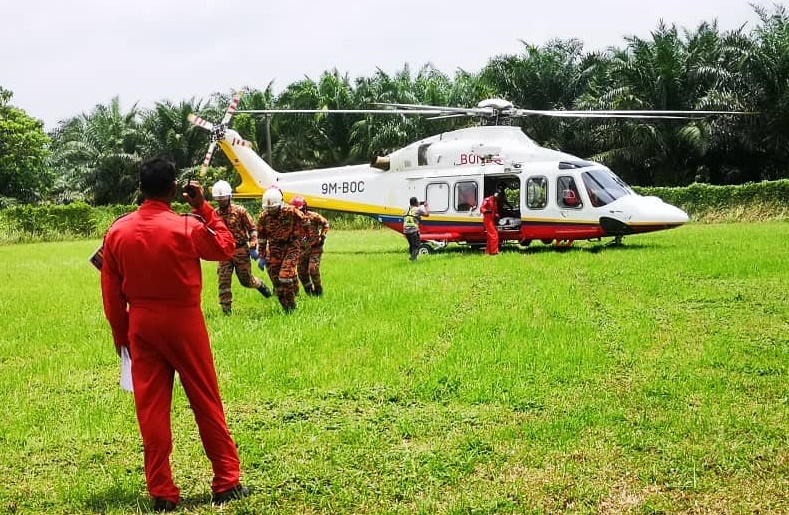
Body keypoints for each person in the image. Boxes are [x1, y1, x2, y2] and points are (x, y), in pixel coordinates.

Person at [100, 158, 249, 512]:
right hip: (184, 322)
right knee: (205, 399)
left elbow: (110, 293)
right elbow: (226, 247)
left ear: (140, 187)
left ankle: (162, 491)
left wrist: (123, 337)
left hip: (142, 324)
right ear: (173, 190)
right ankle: (226, 481)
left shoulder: (117, 231)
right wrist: (204, 207)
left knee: (151, 410)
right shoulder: (187, 225)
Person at [211, 180, 272, 315]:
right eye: (218, 199)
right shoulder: (214, 214)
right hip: (224, 252)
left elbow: (252, 228)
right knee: (223, 280)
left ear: (229, 197)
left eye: (223, 199)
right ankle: (226, 310)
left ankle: (260, 285)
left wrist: (253, 243)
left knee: (245, 281)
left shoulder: (240, 211)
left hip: (241, 250)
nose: (221, 202)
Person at [256, 188, 306, 312]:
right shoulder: (263, 217)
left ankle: (292, 306)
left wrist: (303, 237)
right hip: (274, 248)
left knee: (285, 276)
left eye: (273, 208)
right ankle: (286, 309)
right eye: (268, 209)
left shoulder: (291, 211)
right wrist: (262, 255)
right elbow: (261, 237)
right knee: (277, 282)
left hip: (291, 247)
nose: (270, 211)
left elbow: (306, 221)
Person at [290, 196, 330, 296]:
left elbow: (325, 224)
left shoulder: (313, 216)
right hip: (302, 249)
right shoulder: (292, 220)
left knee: (313, 269)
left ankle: (319, 291)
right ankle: (309, 292)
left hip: (315, 248)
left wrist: (323, 236)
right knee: (301, 272)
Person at [403, 196, 429, 260]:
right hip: (413, 230)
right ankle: (413, 258)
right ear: (415, 202)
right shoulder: (417, 210)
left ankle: (412, 256)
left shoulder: (406, 210)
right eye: (417, 201)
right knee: (416, 246)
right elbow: (427, 214)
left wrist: (419, 204)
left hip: (406, 230)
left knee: (411, 245)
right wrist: (426, 206)